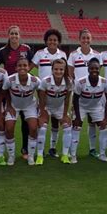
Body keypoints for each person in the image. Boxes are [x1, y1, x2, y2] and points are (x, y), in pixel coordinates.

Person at [0, 26, 33, 159]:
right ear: (8, 35)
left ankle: (25, 149)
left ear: (19, 35)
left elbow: (32, 63)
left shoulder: (26, 49)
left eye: (16, 34)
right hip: (10, 89)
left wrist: (26, 74)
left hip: (24, 87)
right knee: (10, 120)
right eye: (12, 33)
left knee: (26, 120)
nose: (14, 36)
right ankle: (8, 150)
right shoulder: (3, 51)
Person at [31, 28, 67, 158]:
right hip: (43, 93)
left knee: (56, 122)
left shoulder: (62, 54)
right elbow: (30, 68)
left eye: (55, 40)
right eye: (50, 40)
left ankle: (52, 148)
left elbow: (65, 72)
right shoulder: (40, 53)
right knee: (42, 121)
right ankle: (38, 150)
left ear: (58, 42)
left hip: (58, 93)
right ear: (46, 41)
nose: (52, 42)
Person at [67, 29, 101, 158]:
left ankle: (92, 149)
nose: (86, 40)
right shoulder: (74, 54)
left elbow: (97, 73)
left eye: (88, 38)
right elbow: (70, 74)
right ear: (79, 40)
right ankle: (72, 151)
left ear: (91, 40)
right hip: (78, 94)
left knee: (92, 122)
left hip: (93, 94)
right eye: (83, 38)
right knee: (76, 122)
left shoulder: (97, 55)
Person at [1, 58, 40, 166]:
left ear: (28, 67)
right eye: (20, 66)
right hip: (14, 106)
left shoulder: (35, 80)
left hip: (29, 106)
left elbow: (41, 93)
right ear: (16, 68)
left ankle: (31, 156)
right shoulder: (10, 79)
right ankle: (11, 156)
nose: (22, 68)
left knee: (33, 128)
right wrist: (8, 105)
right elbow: (4, 92)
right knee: (9, 128)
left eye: (25, 65)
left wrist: (40, 108)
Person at [71, 58, 107, 164]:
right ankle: (73, 155)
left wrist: (106, 118)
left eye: (96, 68)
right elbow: (75, 99)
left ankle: (102, 154)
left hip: (96, 107)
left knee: (103, 127)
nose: (94, 70)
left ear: (99, 69)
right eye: (92, 68)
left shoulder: (104, 82)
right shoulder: (81, 82)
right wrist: (78, 117)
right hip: (81, 106)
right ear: (88, 69)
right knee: (76, 126)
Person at [37, 59, 73, 165]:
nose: (58, 71)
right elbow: (41, 98)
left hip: (60, 108)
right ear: (52, 70)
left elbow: (67, 99)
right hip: (46, 107)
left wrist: (65, 114)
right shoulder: (45, 81)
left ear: (64, 70)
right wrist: (42, 112)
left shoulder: (69, 81)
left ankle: (65, 155)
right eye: (56, 69)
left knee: (67, 127)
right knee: (42, 128)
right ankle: (39, 155)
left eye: (61, 69)